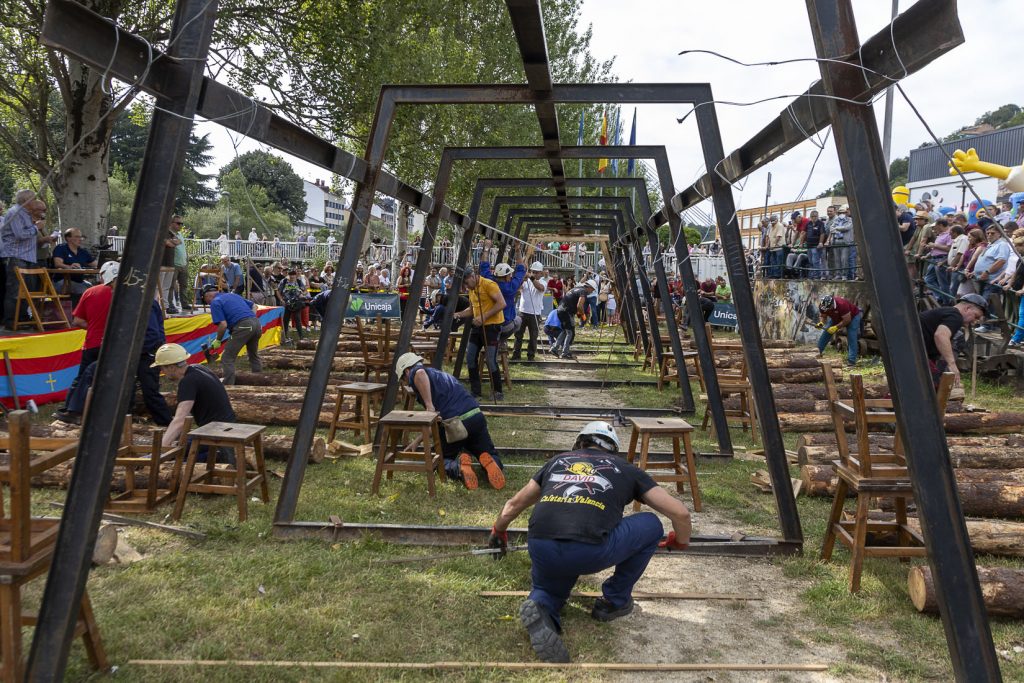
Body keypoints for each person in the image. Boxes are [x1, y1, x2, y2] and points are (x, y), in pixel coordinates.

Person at [488, 421, 691, 663]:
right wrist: (680, 541)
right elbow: (680, 513)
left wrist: (498, 531)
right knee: (651, 524)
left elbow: (513, 505)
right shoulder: (625, 469)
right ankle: (614, 601)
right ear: (613, 450)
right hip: (589, 549)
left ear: (579, 443)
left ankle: (542, 605)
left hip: (541, 545)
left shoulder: (557, 462)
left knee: (548, 588)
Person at [395, 353, 504, 490]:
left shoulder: (416, 372)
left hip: (455, 425)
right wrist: (417, 441)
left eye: (404, 379)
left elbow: (419, 373)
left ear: (406, 371)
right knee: (487, 452)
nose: (406, 382)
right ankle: (491, 462)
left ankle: (458, 469)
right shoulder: (440, 375)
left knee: (439, 460)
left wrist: (429, 406)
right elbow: (435, 423)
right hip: (475, 416)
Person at [153, 343, 237, 464]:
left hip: (216, 430)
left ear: (171, 367)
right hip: (226, 424)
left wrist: (160, 450)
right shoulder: (199, 368)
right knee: (180, 445)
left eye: (162, 368)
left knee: (176, 454)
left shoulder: (188, 381)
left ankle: (216, 457)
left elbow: (179, 421)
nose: (162, 371)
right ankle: (215, 455)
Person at [58, 260, 121, 418]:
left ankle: (70, 409)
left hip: (93, 343)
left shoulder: (90, 292)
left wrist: (94, 326)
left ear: (102, 276)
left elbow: (77, 321)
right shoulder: (124, 294)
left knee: (82, 378)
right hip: (114, 344)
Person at [1, 191, 52, 328]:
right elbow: (20, 234)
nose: (35, 202)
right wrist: (36, 227)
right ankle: (11, 321)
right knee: (15, 290)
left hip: (28, 256)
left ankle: (22, 318)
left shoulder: (26, 214)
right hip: (16, 256)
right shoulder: (16, 212)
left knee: (26, 291)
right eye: (34, 199)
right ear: (27, 200)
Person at [455, 267, 507, 400]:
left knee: (490, 360)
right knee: (470, 357)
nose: (466, 287)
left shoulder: (489, 284)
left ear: (472, 276)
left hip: (492, 327)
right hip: (477, 327)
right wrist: (459, 314)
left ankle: (497, 391)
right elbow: (472, 310)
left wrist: (484, 317)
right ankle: (475, 391)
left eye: (466, 283)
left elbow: (502, 303)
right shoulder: (472, 290)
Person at [920, 294, 988, 388]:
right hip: (912, 352)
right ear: (967, 308)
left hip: (912, 351)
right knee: (931, 387)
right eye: (976, 316)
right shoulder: (956, 316)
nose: (974, 321)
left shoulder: (947, 312)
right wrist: (951, 364)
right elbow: (941, 335)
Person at [203, 285, 262, 385]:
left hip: (244, 326)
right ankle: (259, 379)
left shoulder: (215, 302)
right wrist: (250, 319)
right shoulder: (233, 295)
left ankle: (229, 386)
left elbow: (223, 324)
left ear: (207, 296)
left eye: (206, 301)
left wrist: (218, 340)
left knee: (227, 357)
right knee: (253, 354)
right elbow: (254, 306)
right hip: (257, 324)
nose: (208, 304)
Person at [480, 239, 527, 340]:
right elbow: (521, 268)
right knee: (518, 320)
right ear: (506, 276)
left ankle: (499, 341)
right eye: (510, 274)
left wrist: (487, 248)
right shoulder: (511, 287)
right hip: (504, 325)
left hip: (489, 323)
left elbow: (484, 266)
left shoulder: (489, 282)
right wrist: (518, 249)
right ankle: (502, 340)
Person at [971, 224, 1012, 332]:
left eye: (992, 233)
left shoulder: (1002, 244)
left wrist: (987, 271)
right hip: (982, 279)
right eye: (987, 233)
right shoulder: (991, 244)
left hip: (992, 279)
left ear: (999, 233)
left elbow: (1001, 260)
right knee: (985, 302)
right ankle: (985, 324)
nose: (989, 235)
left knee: (987, 302)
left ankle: (988, 326)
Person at [550, 279, 595, 359]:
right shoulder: (583, 292)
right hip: (567, 312)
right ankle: (565, 353)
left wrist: (577, 313)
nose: (592, 292)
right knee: (570, 332)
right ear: (589, 287)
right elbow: (579, 306)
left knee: (565, 331)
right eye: (592, 290)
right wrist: (583, 316)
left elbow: (573, 302)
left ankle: (554, 348)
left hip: (561, 310)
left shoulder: (576, 288)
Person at [513, 261, 546, 361]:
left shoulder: (543, 281)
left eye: (537, 272)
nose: (535, 274)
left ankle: (530, 356)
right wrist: (522, 279)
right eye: (533, 272)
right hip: (522, 312)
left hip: (535, 314)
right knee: (518, 335)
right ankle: (516, 355)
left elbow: (540, 288)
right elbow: (518, 288)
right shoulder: (526, 281)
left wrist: (531, 278)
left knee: (533, 336)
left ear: (541, 273)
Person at [816, 294, 862, 366]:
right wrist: (821, 323)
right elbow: (823, 316)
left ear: (831, 305)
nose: (826, 310)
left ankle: (851, 361)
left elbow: (847, 320)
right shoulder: (823, 305)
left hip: (852, 317)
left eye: (827, 309)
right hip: (836, 317)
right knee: (826, 333)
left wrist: (836, 327)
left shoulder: (842, 304)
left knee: (851, 337)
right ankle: (817, 353)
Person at [278, 269, 308, 342]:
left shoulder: (298, 281)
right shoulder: (284, 281)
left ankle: (301, 337)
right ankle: (284, 337)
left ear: (295, 275)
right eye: (290, 274)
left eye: (293, 274)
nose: (292, 276)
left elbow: (305, 290)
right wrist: (281, 300)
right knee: (286, 320)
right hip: (287, 303)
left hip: (296, 303)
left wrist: (303, 294)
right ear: (288, 274)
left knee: (298, 319)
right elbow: (278, 292)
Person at [161, 217, 183, 313]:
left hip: (170, 264)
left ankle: (165, 307)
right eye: (178, 223)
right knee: (159, 287)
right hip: (161, 263)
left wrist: (171, 242)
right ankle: (156, 306)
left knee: (167, 286)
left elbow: (178, 242)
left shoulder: (172, 234)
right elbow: (169, 243)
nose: (180, 225)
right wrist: (171, 242)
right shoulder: (162, 232)